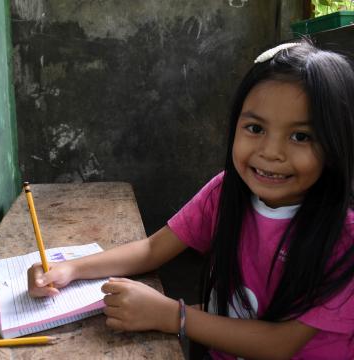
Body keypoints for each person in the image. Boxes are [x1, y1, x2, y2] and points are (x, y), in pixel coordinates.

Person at [27, 40, 354, 359]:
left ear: (337, 144)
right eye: (255, 128)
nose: (270, 152)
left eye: (301, 136)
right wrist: (69, 268)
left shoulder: (344, 240)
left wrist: (172, 315)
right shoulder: (225, 193)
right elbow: (153, 249)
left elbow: (280, 345)